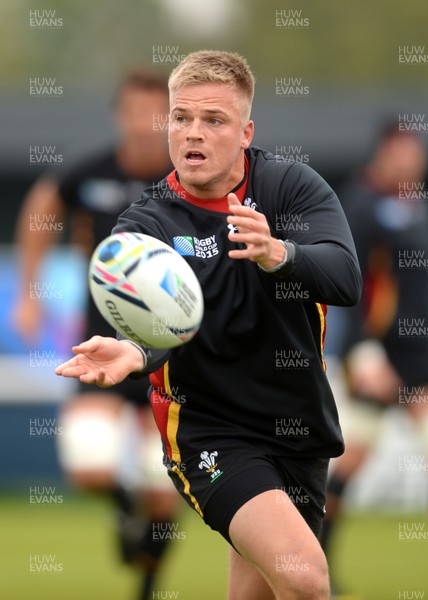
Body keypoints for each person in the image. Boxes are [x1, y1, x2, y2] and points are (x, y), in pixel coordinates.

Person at [55, 50, 362, 600]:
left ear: (245, 132)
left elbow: (345, 279)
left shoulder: (291, 189)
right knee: (305, 578)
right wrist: (133, 352)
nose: (193, 133)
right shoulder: (146, 223)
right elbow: (155, 327)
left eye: (213, 120)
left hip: (299, 428)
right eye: (181, 118)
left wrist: (280, 253)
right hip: (212, 435)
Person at [14, 69, 179, 600]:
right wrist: (27, 292)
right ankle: (122, 506)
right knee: (87, 466)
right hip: (100, 344)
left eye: (158, 112)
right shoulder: (90, 172)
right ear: (120, 115)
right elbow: (41, 207)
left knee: (167, 489)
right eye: (136, 110)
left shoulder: (190, 177)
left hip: (171, 352)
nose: (146, 123)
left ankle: (148, 586)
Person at [320, 124, 428, 595]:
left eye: (416, 154)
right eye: (401, 154)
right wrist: (365, 353)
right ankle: (320, 570)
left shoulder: (422, 206)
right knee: (346, 466)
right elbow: (350, 285)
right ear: (382, 155)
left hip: (419, 365)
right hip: (375, 360)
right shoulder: (359, 205)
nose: (410, 163)